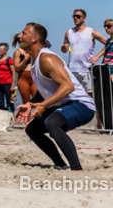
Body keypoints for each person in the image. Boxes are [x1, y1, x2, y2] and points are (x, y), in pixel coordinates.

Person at [15, 22, 95, 171]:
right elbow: (44, 91)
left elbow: (68, 86)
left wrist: (44, 105)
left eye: (24, 33)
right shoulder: (35, 60)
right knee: (32, 129)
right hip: (64, 104)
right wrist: (31, 103)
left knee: (52, 123)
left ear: (34, 38)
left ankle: (77, 169)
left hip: (82, 104)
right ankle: (61, 165)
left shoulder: (47, 58)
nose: (20, 35)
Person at [62, 9, 107, 95]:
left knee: (90, 96)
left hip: (86, 69)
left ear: (84, 18)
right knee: (73, 96)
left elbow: (109, 43)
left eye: (78, 16)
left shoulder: (92, 32)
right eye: (74, 16)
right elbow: (64, 50)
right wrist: (64, 47)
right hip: (72, 70)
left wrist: (97, 56)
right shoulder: (69, 32)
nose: (75, 18)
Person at [0, 42, 15, 111]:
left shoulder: (9, 60)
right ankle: (2, 117)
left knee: (9, 102)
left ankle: (11, 116)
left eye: (1, 49)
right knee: (0, 102)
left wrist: (13, 85)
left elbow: (14, 73)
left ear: (6, 50)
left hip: (7, 83)